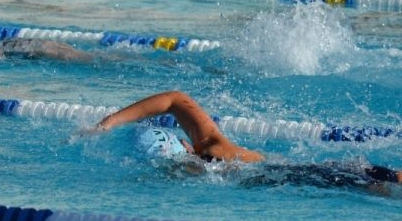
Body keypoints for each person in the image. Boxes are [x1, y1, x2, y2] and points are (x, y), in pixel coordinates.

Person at [93, 90, 402, 186]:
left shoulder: (186, 173)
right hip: (301, 173)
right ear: (183, 144)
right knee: (375, 177)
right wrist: (109, 121)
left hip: (286, 182)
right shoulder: (211, 146)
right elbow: (175, 99)